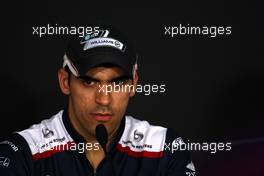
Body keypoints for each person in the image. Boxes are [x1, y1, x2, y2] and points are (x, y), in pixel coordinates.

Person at [0, 25, 196, 176]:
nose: (103, 99)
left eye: (117, 83)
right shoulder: (23, 152)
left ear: (134, 84)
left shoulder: (165, 148)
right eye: (88, 82)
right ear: (64, 81)